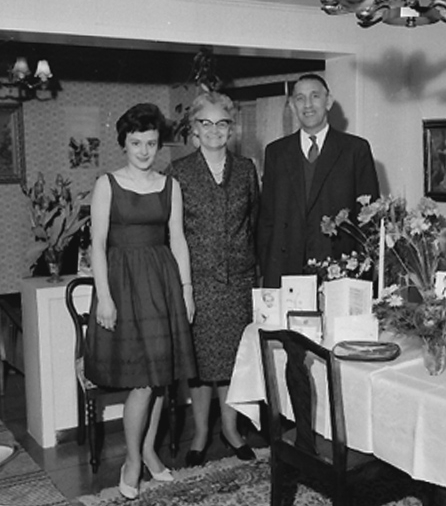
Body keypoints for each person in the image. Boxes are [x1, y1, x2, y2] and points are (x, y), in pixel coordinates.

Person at [84, 103, 196, 500]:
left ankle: (149, 452)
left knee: (161, 377)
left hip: (162, 283)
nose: (144, 151)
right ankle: (131, 460)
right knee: (144, 382)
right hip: (123, 285)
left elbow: (177, 239)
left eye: (151, 143)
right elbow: (97, 244)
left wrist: (186, 290)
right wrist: (104, 298)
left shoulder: (170, 186)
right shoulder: (107, 184)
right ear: (124, 144)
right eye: (136, 143)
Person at [166, 91, 259, 467]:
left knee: (235, 360)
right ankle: (202, 432)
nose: (215, 130)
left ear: (231, 129)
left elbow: (255, 222)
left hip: (238, 282)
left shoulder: (246, 169)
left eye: (222, 123)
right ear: (194, 128)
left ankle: (231, 429)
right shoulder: (179, 172)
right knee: (200, 365)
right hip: (198, 283)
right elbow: (171, 232)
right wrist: (181, 286)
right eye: (206, 123)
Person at [258, 73, 380, 287]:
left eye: (315, 96)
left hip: (339, 270)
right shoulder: (276, 152)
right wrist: (267, 272)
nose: (307, 105)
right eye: (300, 98)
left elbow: (368, 220)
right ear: (292, 105)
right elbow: (267, 220)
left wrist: (363, 275)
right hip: (286, 270)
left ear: (328, 101)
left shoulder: (355, 150)